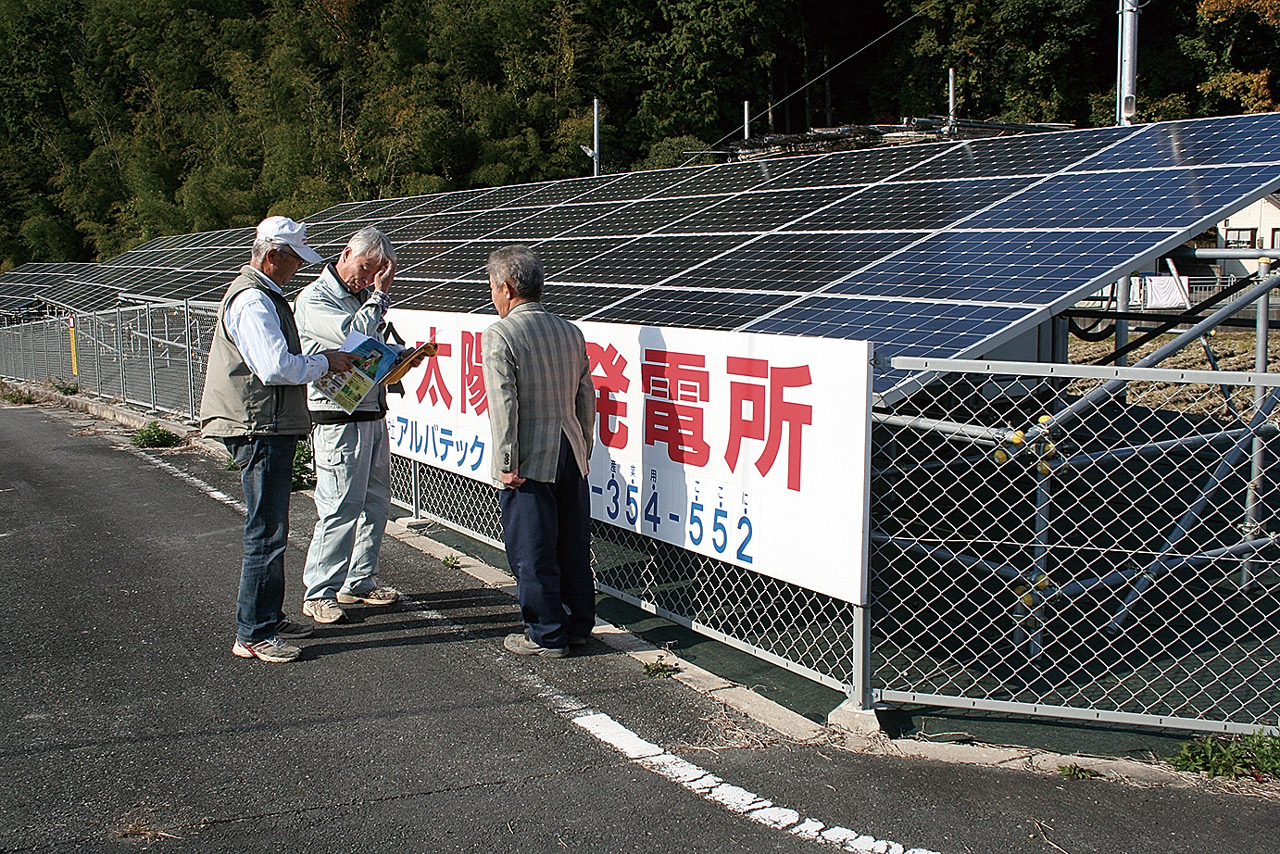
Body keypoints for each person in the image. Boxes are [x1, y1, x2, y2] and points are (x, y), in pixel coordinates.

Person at [200, 216, 355, 663]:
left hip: (268, 423)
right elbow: (274, 367)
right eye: (292, 261)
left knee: (273, 527)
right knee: (266, 530)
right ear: (272, 256)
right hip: (259, 425)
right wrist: (325, 362)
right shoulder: (253, 300)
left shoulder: (263, 295)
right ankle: (253, 632)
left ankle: (266, 616)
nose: (296, 271)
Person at [481, 245, 597, 658]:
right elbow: (586, 395)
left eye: (493, 288)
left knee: (531, 548)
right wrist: (585, 445)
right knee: (572, 543)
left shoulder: (502, 333)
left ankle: (546, 633)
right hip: (570, 448)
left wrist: (506, 462)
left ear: (508, 288)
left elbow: (504, 403)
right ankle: (579, 624)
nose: (493, 297)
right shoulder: (570, 330)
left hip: (530, 455)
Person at [293, 227, 411, 624]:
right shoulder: (315, 298)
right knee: (340, 506)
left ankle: (359, 581)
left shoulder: (362, 299)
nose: (367, 279)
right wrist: (378, 296)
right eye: (365, 269)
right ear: (346, 254)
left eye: (376, 274)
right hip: (337, 418)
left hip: (371, 413)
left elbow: (370, 349)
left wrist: (400, 356)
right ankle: (319, 591)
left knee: (375, 503)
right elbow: (354, 337)